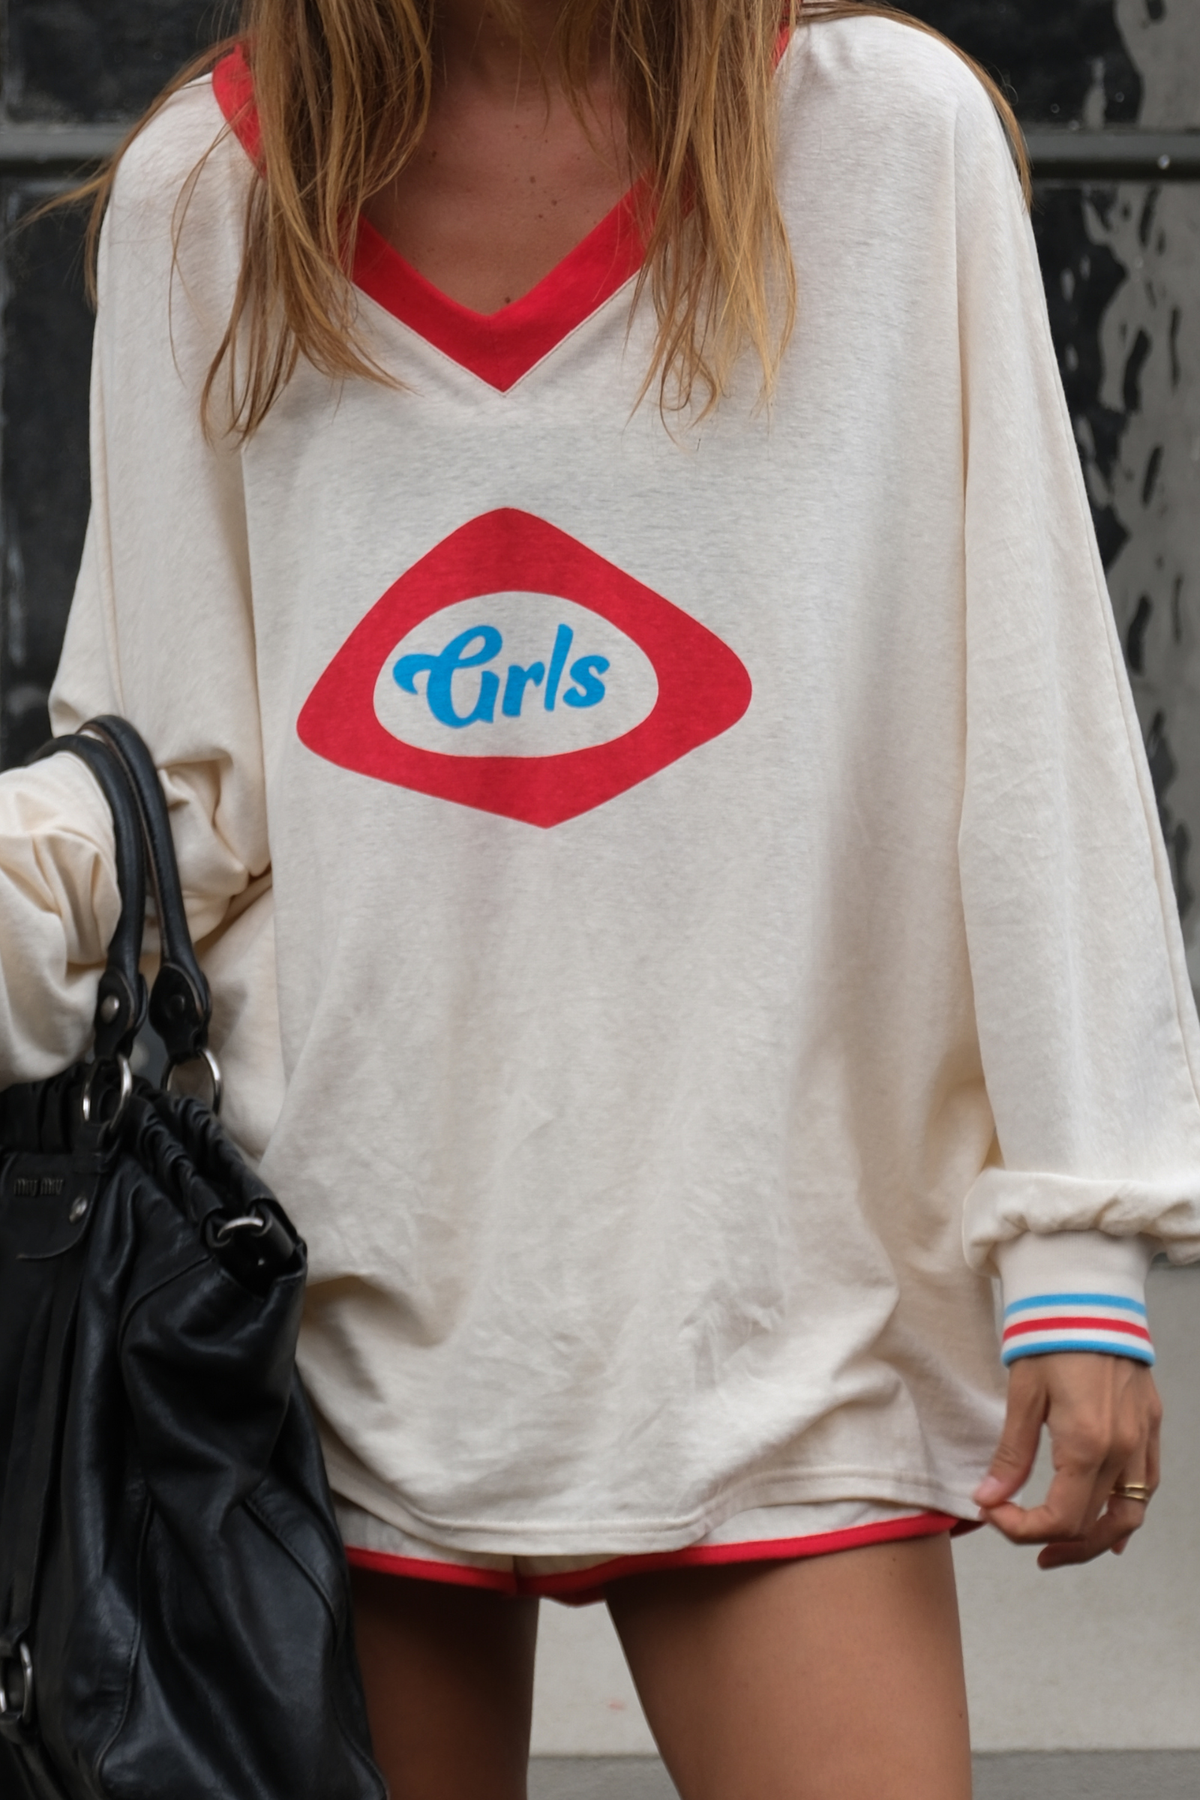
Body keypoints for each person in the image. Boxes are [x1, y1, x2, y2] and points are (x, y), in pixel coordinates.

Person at [3, 1, 1198, 1795]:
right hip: (319, 1313)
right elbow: (181, 786)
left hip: (781, 1297)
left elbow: (1030, 706)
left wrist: (1081, 1242)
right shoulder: (213, 193)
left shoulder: (887, 138)